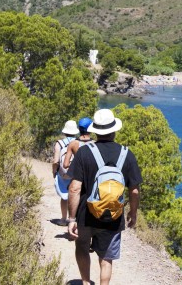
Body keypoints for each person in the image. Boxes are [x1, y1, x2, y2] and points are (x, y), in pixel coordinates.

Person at [67, 109, 142, 285]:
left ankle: (85, 282)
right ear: (114, 130)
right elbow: (134, 190)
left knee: (82, 247)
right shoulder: (126, 154)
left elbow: (74, 188)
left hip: (86, 214)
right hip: (114, 216)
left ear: (96, 131)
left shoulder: (84, 152)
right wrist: (133, 213)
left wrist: (71, 218)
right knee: (107, 256)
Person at [52, 120, 80, 226]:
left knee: (64, 196)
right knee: (76, 194)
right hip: (76, 173)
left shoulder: (59, 143)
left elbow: (56, 161)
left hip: (63, 173)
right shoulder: (78, 142)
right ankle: (74, 219)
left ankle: (63, 220)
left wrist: (54, 172)